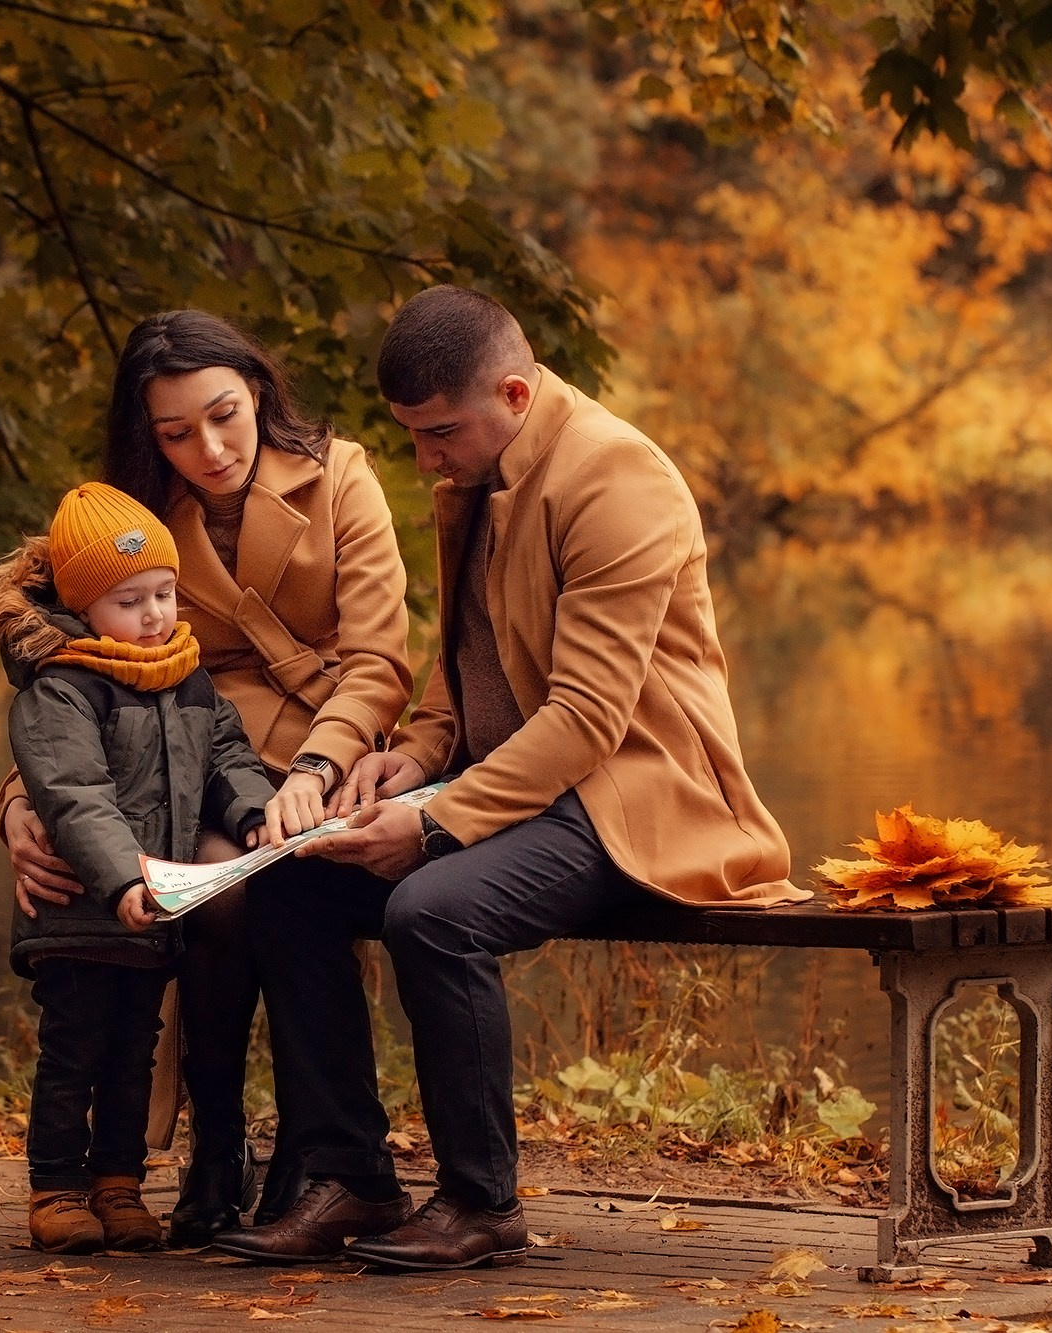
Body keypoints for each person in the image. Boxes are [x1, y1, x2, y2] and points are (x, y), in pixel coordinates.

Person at [219, 286, 809, 1271]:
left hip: (635, 796)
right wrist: (406, 758)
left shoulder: (616, 482)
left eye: (439, 432)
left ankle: (480, 1201)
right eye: (410, 436)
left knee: (431, 910)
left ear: (514, 391)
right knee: (286, 878)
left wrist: (431, 824)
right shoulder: (476, 475)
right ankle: (352, 1174)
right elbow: (469, 666)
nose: (425, 460)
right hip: (509, 786)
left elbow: (584, 718)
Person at [0, 311, 413, 1246]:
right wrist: (17, 804)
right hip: (180, 758)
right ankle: (218, 1147)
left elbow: (381, 659)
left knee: (279, 879)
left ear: (258, 391)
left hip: (324, 749)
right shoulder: (129, 517)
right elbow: (70, 676)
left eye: (224, 415)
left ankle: (313, 1153)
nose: (209, 448)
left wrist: (316, 763)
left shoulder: (341, 475)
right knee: (216, 897)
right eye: (175, 433)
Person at [0, 481, 281, 1254]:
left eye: (164, 594)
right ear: (82, 608)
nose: (154, 616)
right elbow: (74, 795)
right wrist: (124, 878)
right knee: (74, 1049)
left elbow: (227, 759)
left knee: (134, 1051)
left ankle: (120, 1184)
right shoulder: (63, 690)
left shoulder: (186, 677)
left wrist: (255, 814)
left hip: (152, 912)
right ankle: (56, 1187)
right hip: (84, 908)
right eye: (128, 601)